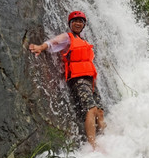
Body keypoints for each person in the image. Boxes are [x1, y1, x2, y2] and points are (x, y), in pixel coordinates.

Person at [29, 10, 106, 149]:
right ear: (70, 23)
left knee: (100, 112)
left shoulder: (83, 40)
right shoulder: (67, 37)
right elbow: (52, 42)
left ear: (84, 25)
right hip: (78, 79)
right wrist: (40, 47)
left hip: (90, 80)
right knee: (91, 109)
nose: (78, 23)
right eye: (75, 21)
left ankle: (106, 139)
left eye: (80, 22)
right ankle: (93, 146)